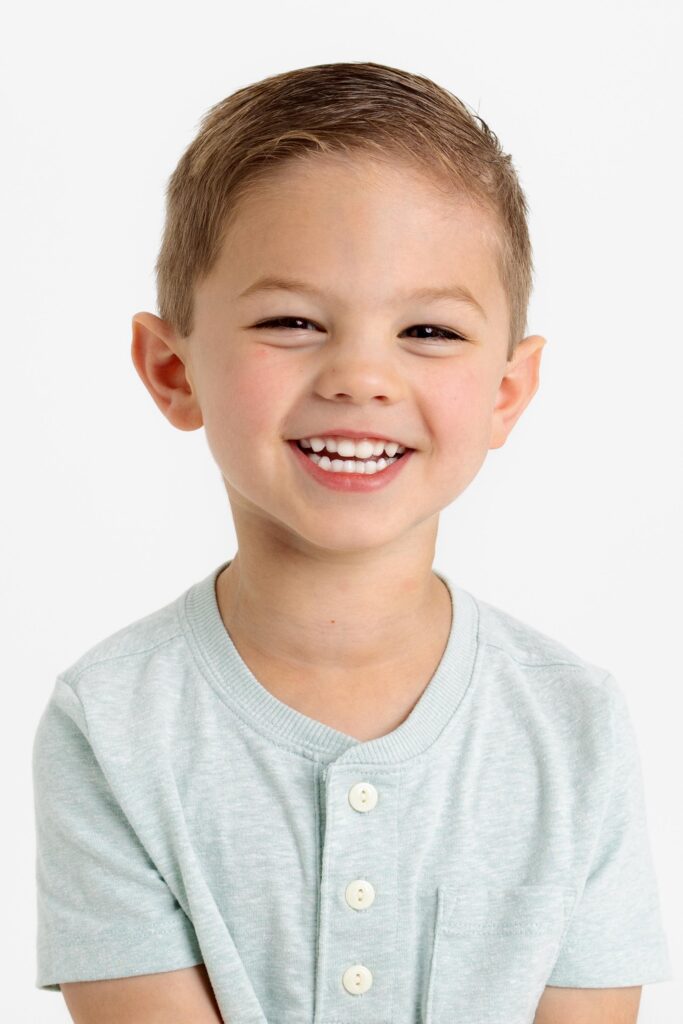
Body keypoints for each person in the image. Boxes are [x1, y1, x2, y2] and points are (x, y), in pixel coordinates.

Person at [32, 61, 671, 1024]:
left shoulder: (574, 727)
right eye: (291, 320)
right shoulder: (112, 723)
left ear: (506, 392)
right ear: (173, 369)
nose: (362, 376)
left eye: (427, 328)